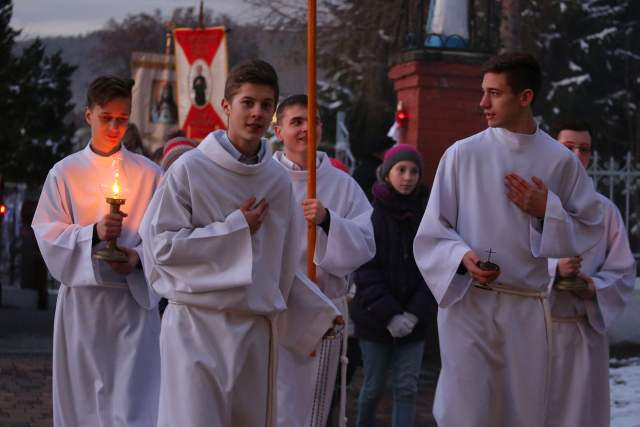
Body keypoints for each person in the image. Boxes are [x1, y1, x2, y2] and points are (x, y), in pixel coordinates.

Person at [139, 60, 341, 427]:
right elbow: (160, 248)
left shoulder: (277, 182)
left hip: (253, 332)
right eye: (248, 102)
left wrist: (316, 313)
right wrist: (234, 229)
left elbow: (279, 268)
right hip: (196, 327)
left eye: (266, 105)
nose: (257, 113)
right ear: (226, 106)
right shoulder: (189, 170)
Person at [412, 52, 603, 427]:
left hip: (525, 309)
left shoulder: (559, 161)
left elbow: (590, 229)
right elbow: (432, 231)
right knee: (463, 413)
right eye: (483, 92)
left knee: (519, 413)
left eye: (494, 94)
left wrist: (544, 208)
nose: (482, 103)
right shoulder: (461, 155)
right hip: (469, 307)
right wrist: (462, 257)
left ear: (525, 97)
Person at [32, 76, 162, 427]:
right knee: (84, 404)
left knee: (133, 403)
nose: (115, 127)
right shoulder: (65, 172)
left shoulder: (150, 175)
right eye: (107, 118)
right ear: (88, 114)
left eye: (123, 119)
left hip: (132, 304)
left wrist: (137, 258)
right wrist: (92, 234)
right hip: (84, 306)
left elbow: (166, 238)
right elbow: (46, 231)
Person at [272, 94, 376, 427]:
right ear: (279, 131)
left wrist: (329, 221)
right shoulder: (264, 178)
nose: (306, 128)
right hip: (275, 309)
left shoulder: (342, 185)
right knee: (272, 406)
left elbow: (365, 243)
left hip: (322, 310)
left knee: (311, 411)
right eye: (296, 121)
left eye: (313, 121)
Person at [547, 120, 635, 427]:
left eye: (584, 150)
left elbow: (623, 270)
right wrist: (554, 270)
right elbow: (510, 256)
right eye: (568, 147)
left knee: (582, 414)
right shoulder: (534, 201)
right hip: (539, 329)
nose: (576, 155)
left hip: (585, 332)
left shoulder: (606, 210)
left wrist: (594, 287)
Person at [350, 144, 433, 427]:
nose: (408, 177)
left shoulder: (427, 216)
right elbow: (365, 269)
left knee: (407, 389)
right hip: (375, 320)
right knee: (372, 387)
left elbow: (432, 268)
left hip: (414, 322)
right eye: (401, 170)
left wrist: (413, 314)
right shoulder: (371, 215)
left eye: (414, 171)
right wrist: (389, 314)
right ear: (387, 174)